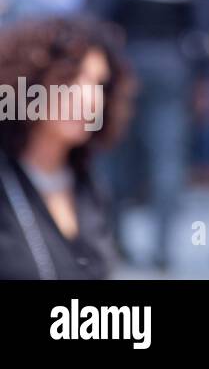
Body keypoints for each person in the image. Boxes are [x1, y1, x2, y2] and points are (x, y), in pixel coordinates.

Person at [84, 0, 198, 271]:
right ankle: (161, 248)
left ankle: (115, 241)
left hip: (124, 72)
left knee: (116, 159)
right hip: (169, 70)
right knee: (166, 161)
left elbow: (93, 25)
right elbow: (197, 32)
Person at [0, 17, 130, 279]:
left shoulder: (89, 184)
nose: (89, 98)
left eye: (99, 84)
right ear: (30, 82)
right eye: (72, 79)